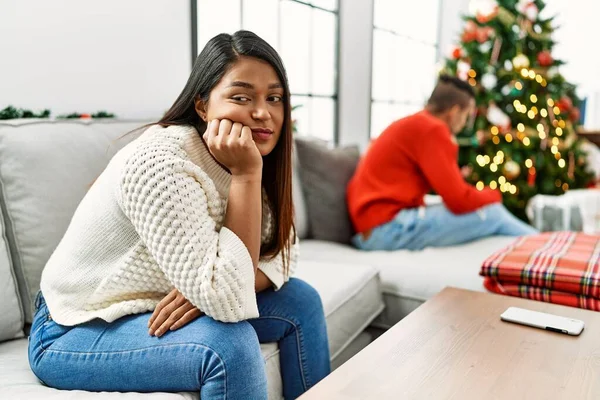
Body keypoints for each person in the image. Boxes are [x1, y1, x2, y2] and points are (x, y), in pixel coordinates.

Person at [28, 31, 330, 399]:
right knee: (228, 345)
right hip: (73, 327)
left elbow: (284, 252)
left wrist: (207, 289)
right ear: (203, 106)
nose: (262, 112)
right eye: (241, 96)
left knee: (301, 301)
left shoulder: (249, 155)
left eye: (274, 98)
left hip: (151, 307)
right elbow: (225, 297)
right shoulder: (162, 163)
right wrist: (246, 179)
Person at [347, 74, 537, 252]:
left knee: (487, 212)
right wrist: (494, 194)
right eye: (467, 116)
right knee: (492, 213)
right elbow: (458, 200)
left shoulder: (416, 123)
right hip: (383, 230)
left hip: (374, 227)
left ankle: (547, 244)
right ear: (454, 112)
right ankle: (549, 246)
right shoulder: (432, 129)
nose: (464, 124)